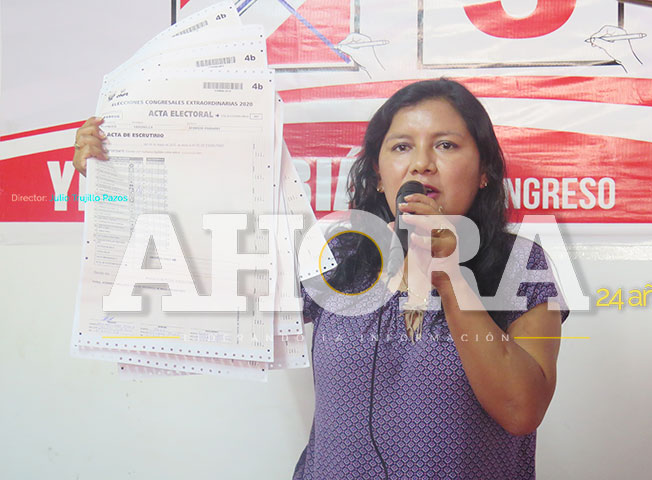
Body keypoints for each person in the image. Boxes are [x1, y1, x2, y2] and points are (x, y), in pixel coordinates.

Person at [73, 78, 569, 479]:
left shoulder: (522, 264)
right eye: (401, 146)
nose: (422, 162)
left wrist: (449, 277)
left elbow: (521, 410)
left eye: (445, 144)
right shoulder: (342, 255)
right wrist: (111, 188)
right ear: (379, 175)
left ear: (484, 171)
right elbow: (201, 291)